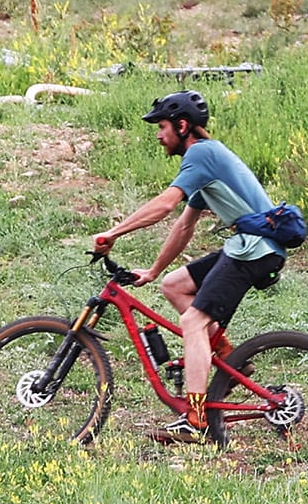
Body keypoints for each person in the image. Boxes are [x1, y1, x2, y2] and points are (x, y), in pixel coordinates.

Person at [88, 89, 283, 444]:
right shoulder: (205, 160)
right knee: (174, 286)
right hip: (249, 247)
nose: (159, 136)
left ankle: (195, 418)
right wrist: (152, 272)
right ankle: (225, 354)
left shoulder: (201, 153)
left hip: (255, 249)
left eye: (162, 126)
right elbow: (184, 225)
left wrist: (114, 232)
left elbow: (165, 206)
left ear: (182, 125)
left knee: (192, 320)